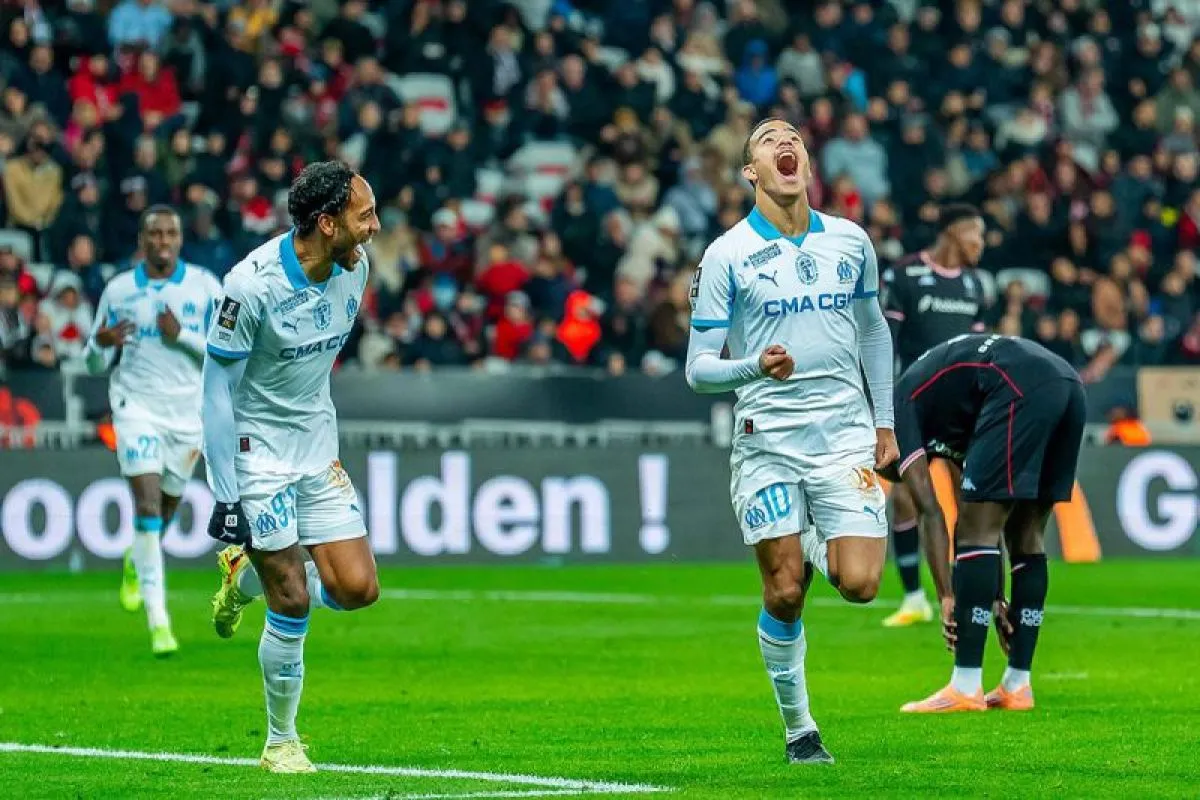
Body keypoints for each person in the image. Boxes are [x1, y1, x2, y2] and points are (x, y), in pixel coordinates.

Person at [685, 118, 897, 764]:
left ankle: (808, 536)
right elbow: (698, 368)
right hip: (769, 442)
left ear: (806, 162)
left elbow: (873, 330)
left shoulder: (851, 241)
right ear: (751, 171)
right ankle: (800, 730)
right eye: (768, 139)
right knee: (784, 592)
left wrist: (885, 423)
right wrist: (754, 366)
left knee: (861, 584)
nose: (786, 143)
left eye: (794, 138)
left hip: (844, 438)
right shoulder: (726, 255)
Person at [202, 161, 381, 773]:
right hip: (257, 456)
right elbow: (215, 392)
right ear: (327, 223)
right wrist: (225, 494)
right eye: (364, 216)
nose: (375, 228)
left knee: (357, 589)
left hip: (316, 447)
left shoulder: (356, 269)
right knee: (294, 600)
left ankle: (242, 577)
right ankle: (281, 741)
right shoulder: (249, 287)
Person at [879, 333, 1085, 712]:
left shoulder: (897, 412)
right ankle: (1017, 686)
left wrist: (946, 596)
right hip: (1067, 383)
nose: (902, 477)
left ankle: (965, 686)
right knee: (1025, 532)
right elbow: (978, 507)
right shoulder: (951, 414)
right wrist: (995, 598)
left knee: (976, 529)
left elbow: (931, 510)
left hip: (1016, 382)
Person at [82, 205, 222, 656]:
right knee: (145, 503)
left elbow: (227, 353)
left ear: (180, 239)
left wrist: (182, 336)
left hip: (187, 415)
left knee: (164, 508)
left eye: (170, 233)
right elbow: (93, 361)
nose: (162, 241)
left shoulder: (204, 286)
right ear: (142, 241)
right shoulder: (119, 290)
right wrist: (100, 344)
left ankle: (136, 558)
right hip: (135, 407)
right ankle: (159, 623)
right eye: (154, 234)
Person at [879, 205, 988, 628]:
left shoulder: (974, 285)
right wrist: (884, 403)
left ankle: (964, 588)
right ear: (953, 233)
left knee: (968, 499)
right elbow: (885, 342)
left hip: (961, 408)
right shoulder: (904, 275)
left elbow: (979, 350)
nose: (981, 244)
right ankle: (914, 599)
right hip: (915, 404)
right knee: (907, 498)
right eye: (976, 235)